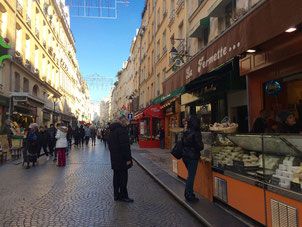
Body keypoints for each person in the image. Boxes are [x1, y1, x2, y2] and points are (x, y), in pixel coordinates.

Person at [108, 114, 133, 203]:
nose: (127, 123)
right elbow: (125, 146)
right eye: (126, 121)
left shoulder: (111, 130)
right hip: (122, 159)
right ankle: (123, 196)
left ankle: (116, 195)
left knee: (116, 177)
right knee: (123, 178)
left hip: (114, 158)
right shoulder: (122, 131)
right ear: (123, 122)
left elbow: (110, 146)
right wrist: (128, 159)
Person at [182, 115, 203, 202]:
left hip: (185, 156)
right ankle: (189, 195)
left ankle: (190, 192)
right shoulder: (196, 133)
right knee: (191, 176)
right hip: (192, 157)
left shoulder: (186, 131)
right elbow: (200, 146)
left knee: (190, 175)